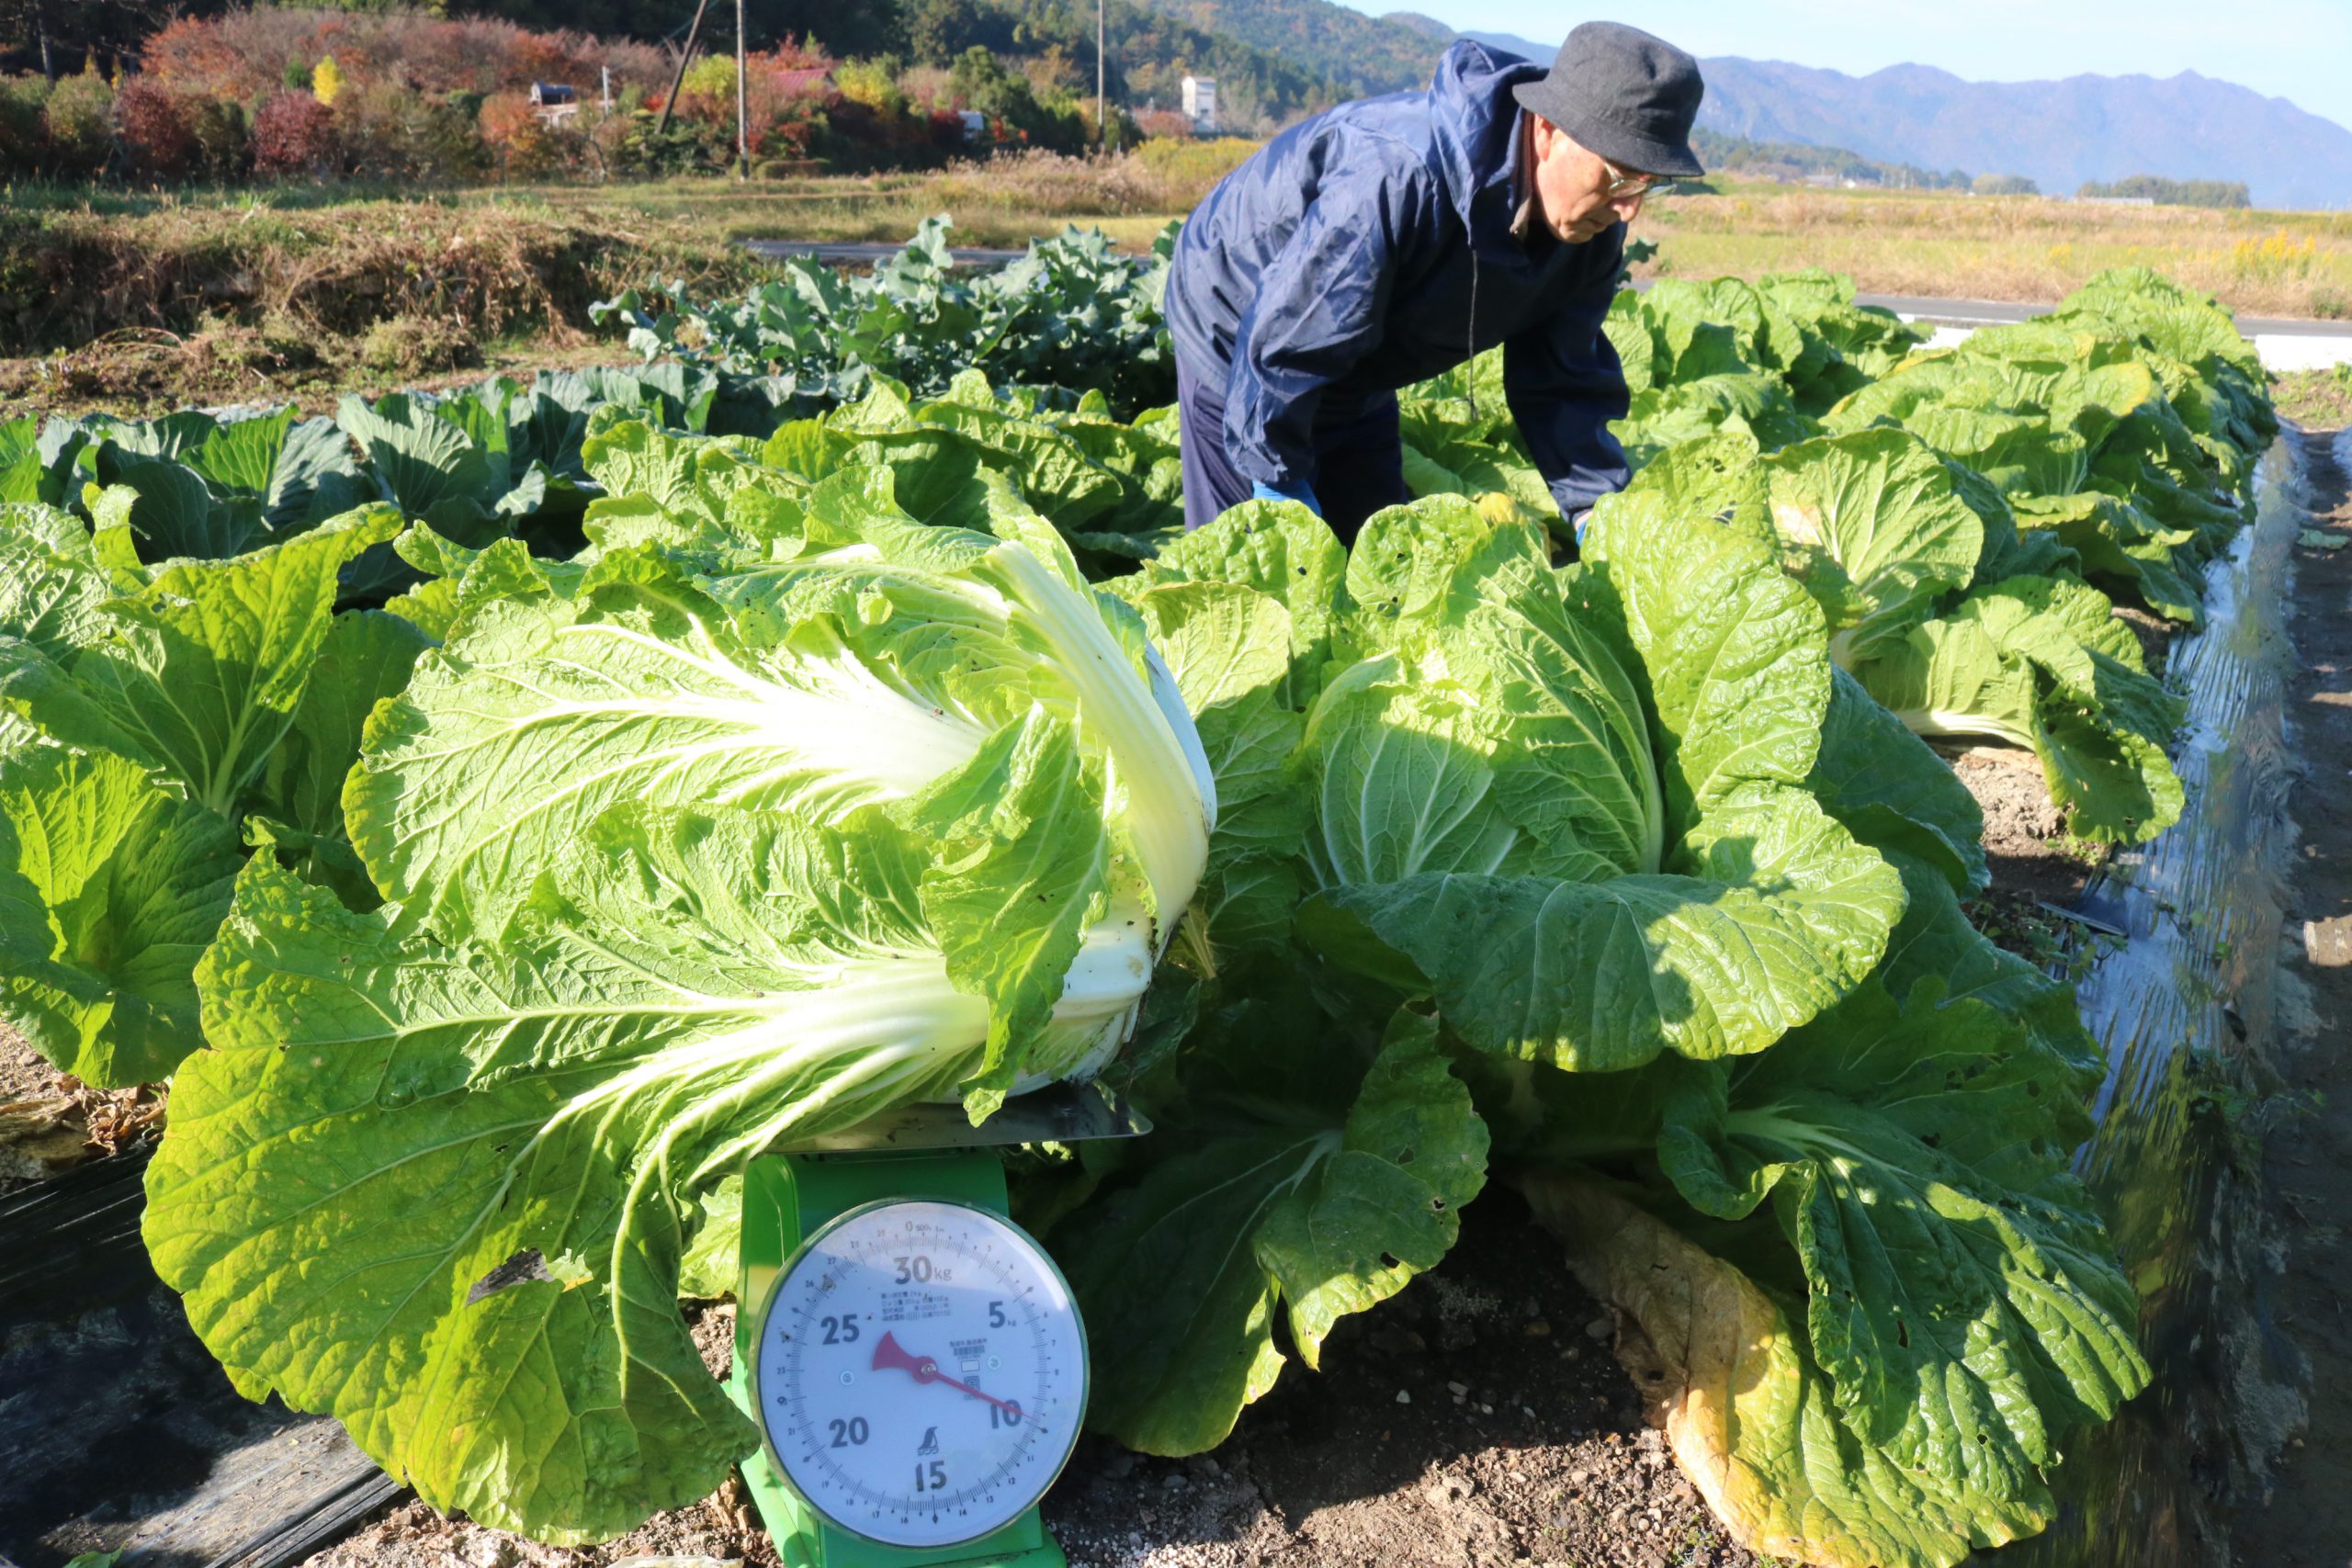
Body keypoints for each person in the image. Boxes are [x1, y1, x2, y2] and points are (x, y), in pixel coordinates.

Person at [1163, 21, 1706, 547]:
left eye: (1648, 185)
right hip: (1237, 325)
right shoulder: (1398, 175)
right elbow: (1290, 340)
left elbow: (1561, 380)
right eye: (1619, 175)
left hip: (1358, 357)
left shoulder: (1593, 229)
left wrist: (1595, 508)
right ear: (1547, 132)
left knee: (1379, 564)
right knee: (1259, 577)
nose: (1629, 206)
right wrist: (1274, 479)